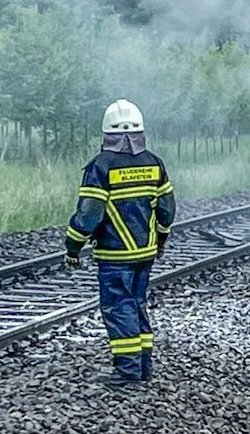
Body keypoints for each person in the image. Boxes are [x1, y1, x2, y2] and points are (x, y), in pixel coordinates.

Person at [65, 100, 176, 384]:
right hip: (146, 253)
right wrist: (161, 237)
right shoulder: (154, 162)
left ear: (106, 133)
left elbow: (89, 215)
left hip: (115, 255)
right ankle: (144, 368)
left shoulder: (101, 167)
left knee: (118, 307)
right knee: (137, 303)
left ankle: (127, 373)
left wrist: (73, 247)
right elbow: (167, 209)